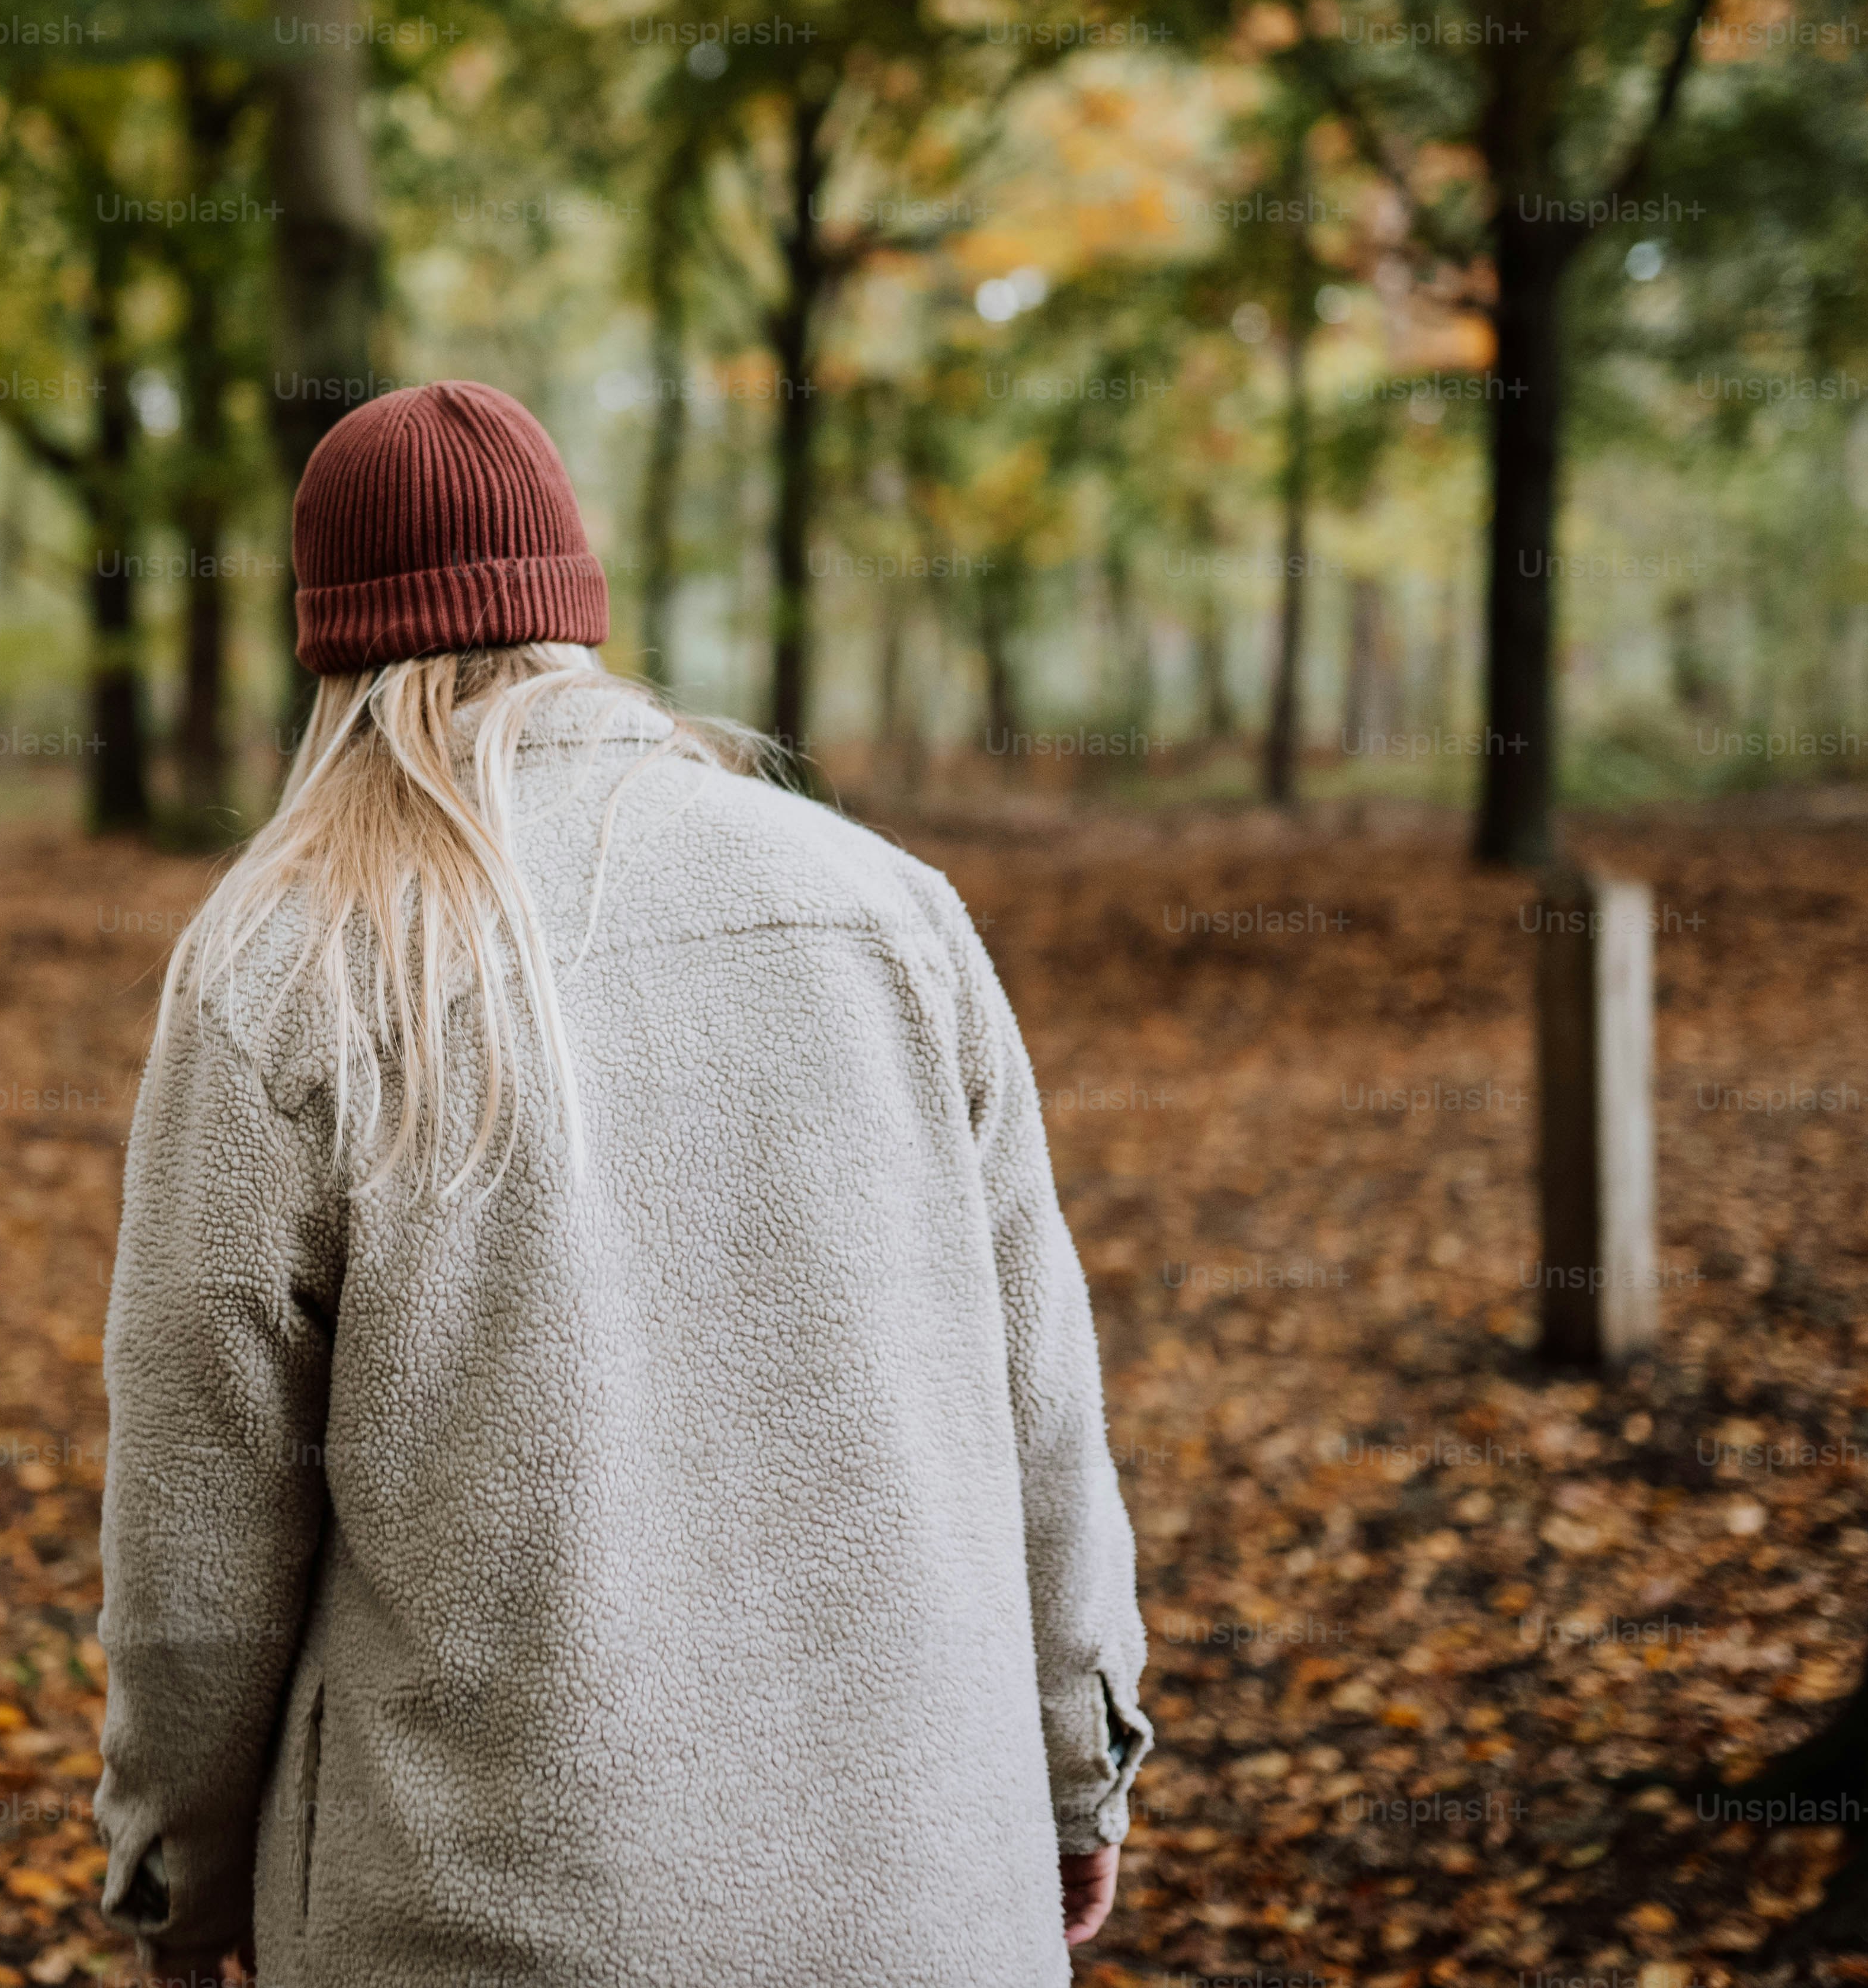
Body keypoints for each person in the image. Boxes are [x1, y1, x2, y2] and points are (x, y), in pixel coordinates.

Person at [95, 379, 1151, 1986]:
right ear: (574, 612)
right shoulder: (883, 910)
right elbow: (1042, 1416)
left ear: (332, 646)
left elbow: (198, 1521)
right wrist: (1081, 1774)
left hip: (482, 1929)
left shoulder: (285, 963)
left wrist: (184, 1876)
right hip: (928, 1911)